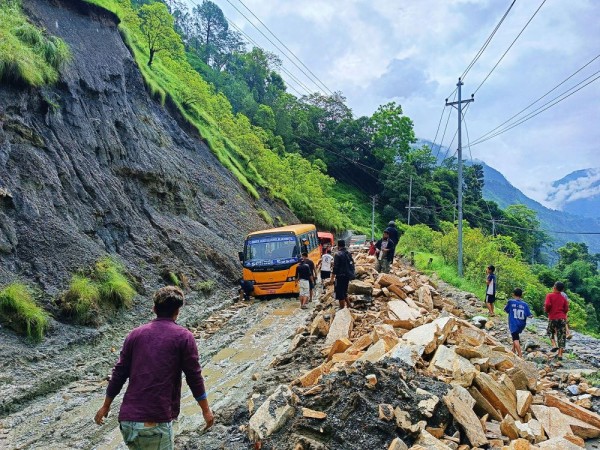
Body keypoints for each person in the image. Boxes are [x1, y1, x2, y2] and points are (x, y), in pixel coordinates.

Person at [94, 286, 214, 449]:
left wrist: (106, 405)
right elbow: (194, 377)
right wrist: (205, 410)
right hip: (155, 422)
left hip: (128, 422)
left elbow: (119, 373)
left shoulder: (135, 335)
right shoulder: (184, 337)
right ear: (177, 312)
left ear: (154, 309)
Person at [504, 288, 532, 357]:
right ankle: (513, 349)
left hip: (514, 323)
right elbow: (530, 315)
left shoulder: (510, 302)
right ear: (521, 295)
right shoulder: (525, 304)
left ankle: (520, 355)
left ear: (513, 294)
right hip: (521, 324)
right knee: (516, 335)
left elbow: (506, 310)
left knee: (515, 338)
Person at [545, 281, 569, 359]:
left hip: (553, 317)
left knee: (549, 331)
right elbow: (566, 309)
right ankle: (560, 354)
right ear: (562, 290)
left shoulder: (549, 295)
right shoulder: (563, 298)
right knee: (561, 336)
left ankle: (554, 345)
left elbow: (548, 305)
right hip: (562, 318)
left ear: (554, 287)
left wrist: (547, 310)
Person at [331, 239, 354, 309]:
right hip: (347, 275)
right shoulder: (348, 253)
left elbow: (335, 267)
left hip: (340, 276)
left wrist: (332, 278)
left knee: (340, 293)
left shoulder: (337, 254)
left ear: (338, 245)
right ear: (344, 245)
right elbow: (352, 263)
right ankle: (349, 305)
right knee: (344, 291)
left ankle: (342, 309)